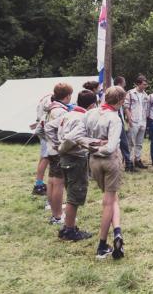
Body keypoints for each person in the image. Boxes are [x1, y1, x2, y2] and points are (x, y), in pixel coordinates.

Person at [85, 86, 127, 260]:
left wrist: (92, 146)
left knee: (112, 197)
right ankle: (102, 245)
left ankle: (117, 231)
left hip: (93, 161)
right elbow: (110, 147)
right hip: (109, 160)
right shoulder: (114, 118)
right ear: (119, 101)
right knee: (108, 202)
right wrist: (101, 146)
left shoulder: (90, 114)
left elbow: (80, 137)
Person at [57, 89, 98, 241]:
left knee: (71, 192)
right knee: (75, 195)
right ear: (92, 105)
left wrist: (59, 147)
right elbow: (71, 138)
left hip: (66, 159)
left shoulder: (67, 114)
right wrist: (63, 148)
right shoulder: (82, 118)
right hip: (75, 158)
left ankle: (69, 226)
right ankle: (69, 230)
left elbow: (55, 131)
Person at [42, 83, 74, 225]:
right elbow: (57, 130)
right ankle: (57, 216)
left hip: (50, 149)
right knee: (59, 183)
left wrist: (49, 142)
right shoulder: (61, 111)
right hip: (57, 150)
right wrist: (58, 145)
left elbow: (40, 129)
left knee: (52, 180)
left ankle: (53, 207)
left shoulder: (50, 108)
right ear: (67, 96)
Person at [124, 75, 149, 169]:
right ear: (138, 84)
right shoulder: (130, 93)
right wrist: (129, 119)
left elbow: (146, 108)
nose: (145, 86)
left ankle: (137, 160)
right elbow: (126, 107)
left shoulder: (145, 95)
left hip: (142, 121)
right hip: (133, 121)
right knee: (130, 143)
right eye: (144, 84)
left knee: (139, 143)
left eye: (146, 84)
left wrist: (145, 120)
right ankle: (129, 162)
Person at [31, 93, 53, 196]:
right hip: (46, 131)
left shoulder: (44, 98)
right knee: (46, 157)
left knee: (43, 157)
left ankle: (39, 183)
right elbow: (47, 116)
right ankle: (38, 186)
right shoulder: (50, 99)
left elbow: (41, 117)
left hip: (43, 129)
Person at [113, 76, 135, 171]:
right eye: (124, 82)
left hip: (119, 120)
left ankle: (126, 163)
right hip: (115, 120)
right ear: (119, 83)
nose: (125, 83)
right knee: (123, 143)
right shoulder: (115, 93)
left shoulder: (116, 93)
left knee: (123, 143)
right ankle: (128, 164)